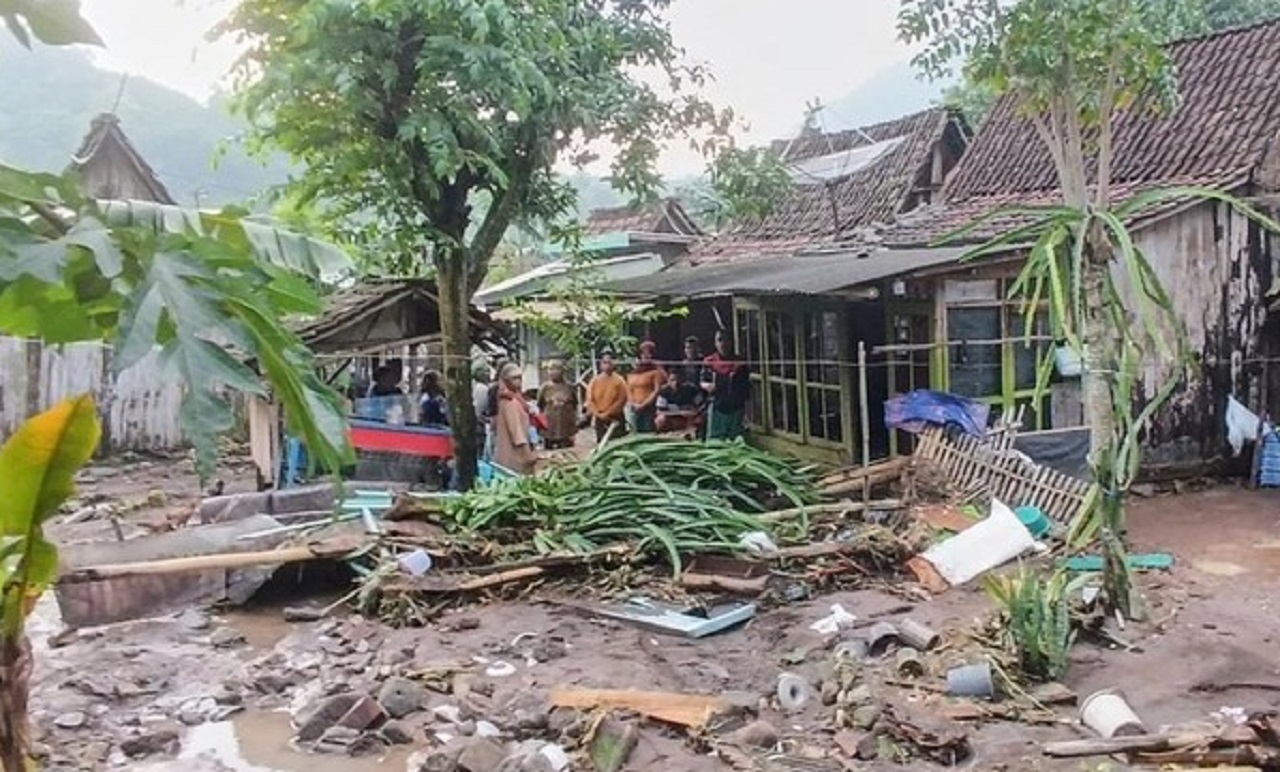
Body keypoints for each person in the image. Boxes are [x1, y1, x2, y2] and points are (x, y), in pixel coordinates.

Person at [701, 330, 751, 440]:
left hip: (736, 407)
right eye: (720, 340)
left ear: (731, 342)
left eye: (726, 340)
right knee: (715, 440)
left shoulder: (740, 362)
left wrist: (748, 413)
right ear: (715, 343)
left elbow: (746, 388)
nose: (723, 344)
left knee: (735, 439)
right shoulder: (709, 361)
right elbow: (703, 381)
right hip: (717, 406)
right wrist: (708, 386)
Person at [492, 363, 538, 474]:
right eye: (514, 378)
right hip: (515, 452)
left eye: (519, 378)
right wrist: (527, 453)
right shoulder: (509, 402)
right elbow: (517, 433)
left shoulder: (515, 398)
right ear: (506, 380)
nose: (518, 381)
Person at [625, 340, 666, 434]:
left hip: (648, 407)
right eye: (644, 353)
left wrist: (643, 405)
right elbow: (628, 388)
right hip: (633, 407)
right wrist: (632, 402)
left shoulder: (656, 371)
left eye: (649, 353)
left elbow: (656, 390)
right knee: (635, 431)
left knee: (647, 430)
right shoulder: (633, 372)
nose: (646, 356)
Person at [587, 352, 628, 443]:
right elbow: (590, 400)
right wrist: (598, 414)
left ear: (613, 364)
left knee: (617, 442)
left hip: (615, 417)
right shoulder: (594, 381)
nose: (607, 365)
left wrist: (608, 413)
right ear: (600, 364)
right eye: (604, 362)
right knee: (601, 443)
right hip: (599, 417)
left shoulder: (619, 380)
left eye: (609, 362)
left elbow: (622, 400)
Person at [537, 360, 578, 450]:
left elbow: (575, 403)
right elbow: (540, 404)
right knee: (549, 450)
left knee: (567, 450)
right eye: (551, 369)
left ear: (562, 371)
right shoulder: (545, 387)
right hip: (550, 427)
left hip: (566, 426)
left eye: (556, 369)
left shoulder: (569, 386)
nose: (553, 372)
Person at [655, 367, 705, 435]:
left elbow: (701, 405)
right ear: (668, 380)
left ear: (683, 380)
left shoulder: (692, 390)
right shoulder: (664, 392)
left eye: (678, 380)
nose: (676, 383)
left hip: (689, 417)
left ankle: (692, 434)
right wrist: (679, 412)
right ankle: (663, 435)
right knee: (660, 419)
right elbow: (660, 411)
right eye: (672, 380)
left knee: (699, 419)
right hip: (672, 417)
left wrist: (693, 411)